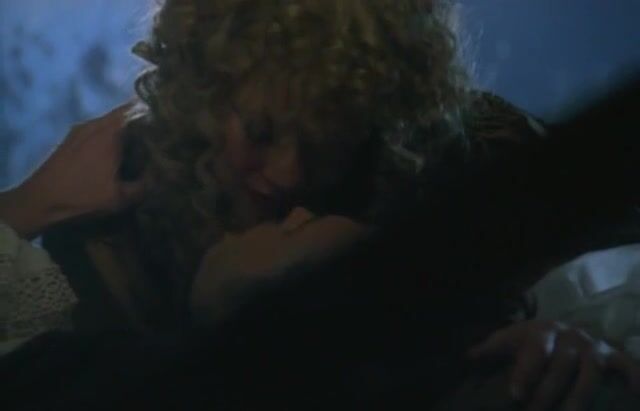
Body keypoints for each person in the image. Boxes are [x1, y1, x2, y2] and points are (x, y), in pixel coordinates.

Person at [1, 0, 639, 409]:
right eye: (261, 132)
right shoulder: (106, 238)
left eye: (328, 139)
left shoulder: (456, 157)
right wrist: (24, 208)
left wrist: (557, 337)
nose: (289, 174)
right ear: (203, 96)